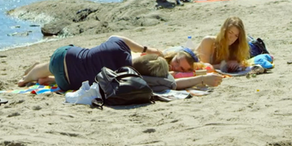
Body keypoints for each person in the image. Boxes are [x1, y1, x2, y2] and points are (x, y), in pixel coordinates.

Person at [18, 35, 222, 91]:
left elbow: (118, 36)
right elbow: (174, 84)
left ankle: (27, 78)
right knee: (78, 75)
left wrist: (145, 49)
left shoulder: (119, 46)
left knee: (49, 65)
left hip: (66, 56)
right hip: (68, 84)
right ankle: (49, 80)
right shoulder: (133, 76)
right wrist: (204, 78)